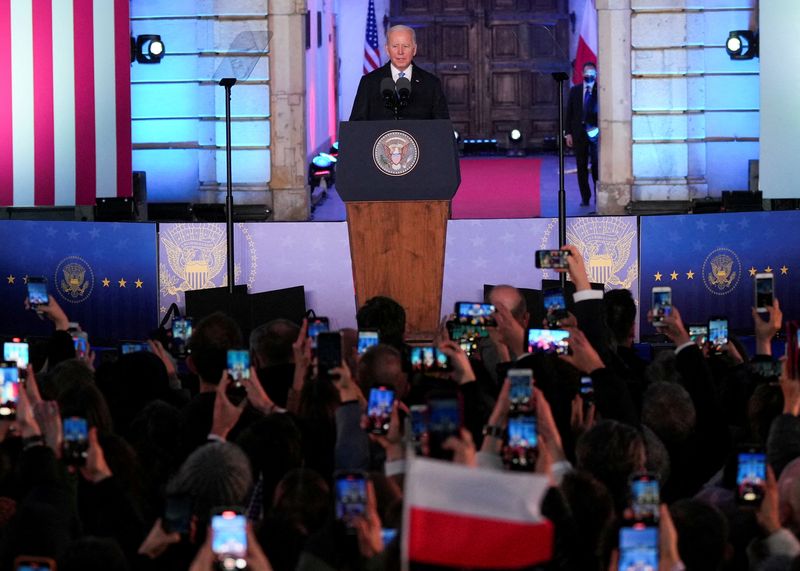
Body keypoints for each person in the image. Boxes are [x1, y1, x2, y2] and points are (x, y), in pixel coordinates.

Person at [349, 24, 450, 121]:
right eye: (395, 46)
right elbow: (357, 126)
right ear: (387, 50)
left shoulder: (431, 83)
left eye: (405, 46)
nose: (400, 52)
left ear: (414, 50)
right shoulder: (369, 82)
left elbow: (441, 127)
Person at [565, 61, 599, 207]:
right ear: (582, 73)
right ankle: (585, 198)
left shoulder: (600, 90)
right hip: (579, 134)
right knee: (581, 166)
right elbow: (569, 113)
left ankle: (599, 197)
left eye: (592, 72)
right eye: (587, 72)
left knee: (597, 166)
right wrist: (568, 134)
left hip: (596, 134)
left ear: (596, 75)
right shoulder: (575, 91)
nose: (589, 75)